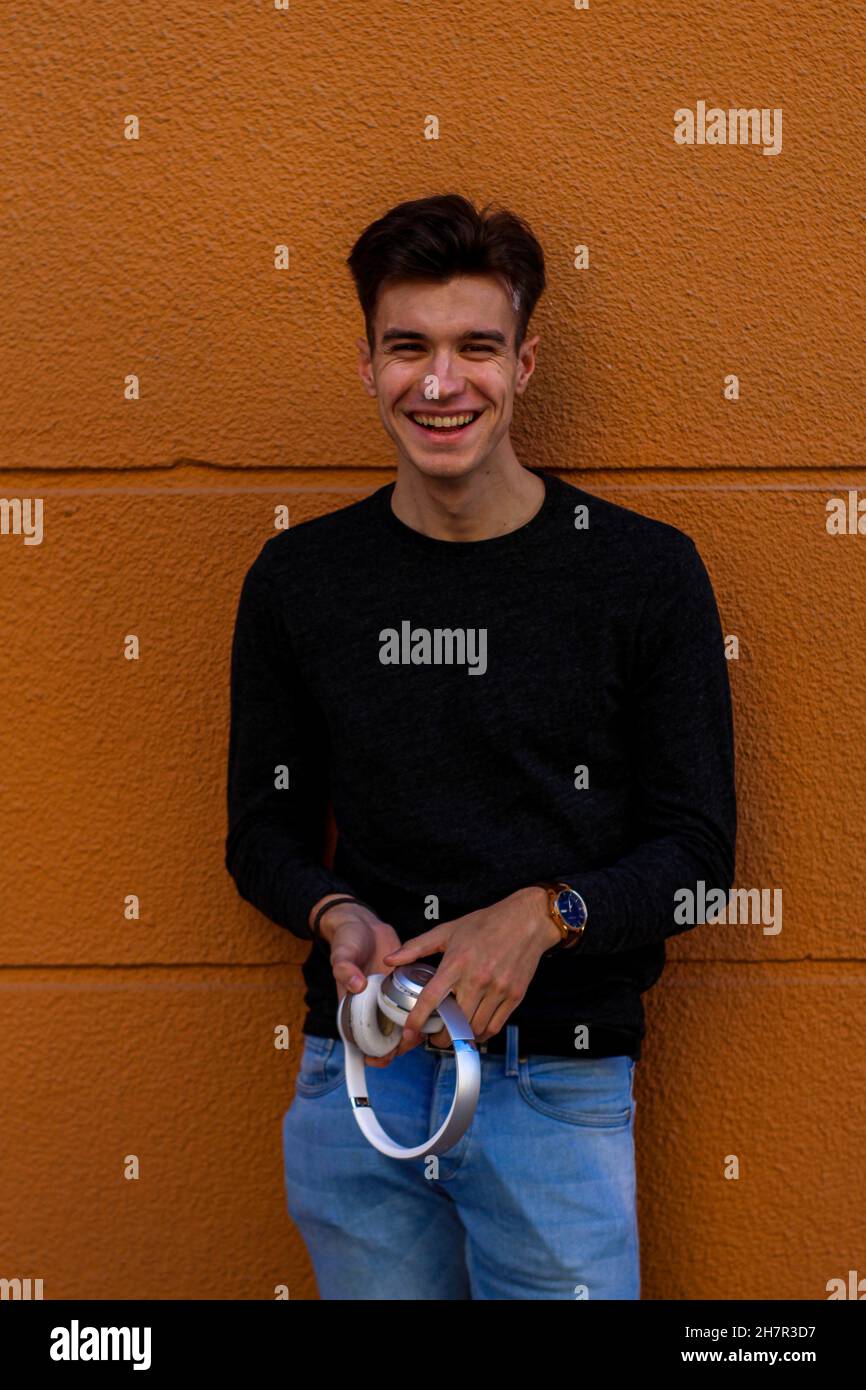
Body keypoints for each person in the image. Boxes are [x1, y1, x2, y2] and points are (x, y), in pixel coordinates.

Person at [225, 192, 737, 1300]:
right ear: (366, 363)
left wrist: (546, 914)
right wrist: (331, 912)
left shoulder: (641, 575)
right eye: (407, 346)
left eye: (475, 347)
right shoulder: (300, 583)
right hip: (362, 1067)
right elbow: (259, 831)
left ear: (526, 361)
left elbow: (697, 854)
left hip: (555, 1081)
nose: (440, 382)